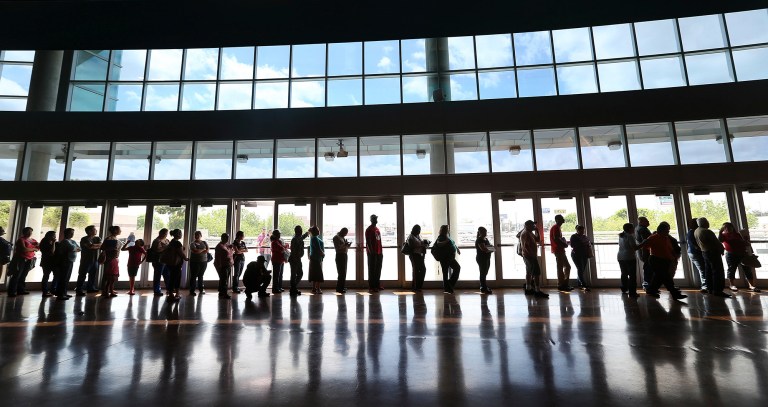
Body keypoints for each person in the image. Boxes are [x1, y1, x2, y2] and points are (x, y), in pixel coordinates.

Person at [642, 222, 687, 300]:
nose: (668, 232)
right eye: (667, 230)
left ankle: (651, 290)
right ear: (661, 230)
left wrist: (673, 256)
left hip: (664, 260)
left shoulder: (666, 238)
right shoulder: (653, 237)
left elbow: (670, 249)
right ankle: (675, 293)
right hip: (656, 260)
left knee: (659, 277)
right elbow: (645, 246)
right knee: (666, 277)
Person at [694, 217, 730, 297]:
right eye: (707, 221)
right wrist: (721, 249)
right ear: (705, 223)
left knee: (708, 271)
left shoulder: (696, 231)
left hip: (704, 252)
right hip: (712, 252)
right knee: (718, 272)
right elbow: (716, 242)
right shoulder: (707, 231)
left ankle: (710, 288)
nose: (708, 223)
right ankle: (718, 290)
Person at [518, 220, 547, 298]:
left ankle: (528, 288)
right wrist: (532, 256)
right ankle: (537, 291)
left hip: (529, 256)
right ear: (527, 225)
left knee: (529, 272)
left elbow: (537, 240)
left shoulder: (529, 233)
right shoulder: (525, 233)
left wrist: (537, 231)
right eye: (532, 225)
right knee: (536, 273)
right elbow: (526, 246)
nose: (534, 226)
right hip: (530, 256)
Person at [7, 227, 39, 297]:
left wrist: (32, 248)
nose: (29, 233)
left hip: (29, 259)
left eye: (30, 231)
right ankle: (12, 291)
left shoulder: (32, 240)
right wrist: (33, 248)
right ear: (24, 232)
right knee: (17, 275)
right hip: (20, 259)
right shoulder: (21, 240)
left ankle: (20, 290)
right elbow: (24, 249)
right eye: (28, 231)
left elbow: (38, 247)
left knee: (24, 275)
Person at [719, 222, 749, 292]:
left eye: (729, 227)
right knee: (731, 269)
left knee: (747, 269)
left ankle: (751, 285)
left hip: (742, 253)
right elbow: (720, 240)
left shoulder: (738, 234)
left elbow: (745, 243)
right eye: (725, 228)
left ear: (732, 227)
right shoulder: (723, 235)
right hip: (731, 254)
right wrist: (720, 231)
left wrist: (745, 241)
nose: (727, 229)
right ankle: (732, 285)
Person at [161, 229, 188, 301]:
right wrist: (186, 258)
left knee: (172, 278)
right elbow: (180, 253)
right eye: (180, 233)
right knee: (176, 278)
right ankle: (176, 294)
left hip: (170, 263)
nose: (181, 234)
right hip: (176, 264)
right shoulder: (177, 243)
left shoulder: (171, 242)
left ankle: (170, 293)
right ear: (178, 234)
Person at [434, 224, 461, 294]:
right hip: (445, 258)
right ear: (444, 230)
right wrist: (447, 241)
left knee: (457, 268)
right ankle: (448, 287)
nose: (448, 230)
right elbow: (439, 244)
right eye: (447, 228)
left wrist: (457, 249)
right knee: (446, 273)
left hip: (450, 258)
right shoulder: (441, 237)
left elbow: (453, 243)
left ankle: (449, 285)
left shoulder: (447, 236)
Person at [75, 225, 102, 296]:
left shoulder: (97, 238)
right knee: (82, 275)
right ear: (89, 231)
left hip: (95, 259)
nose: (96, 231)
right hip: (86, 260)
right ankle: (79, 289)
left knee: (92, 275)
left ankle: (90, 287)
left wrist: (94, 246)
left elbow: (101, 245)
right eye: (94, 229)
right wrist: (96, 246)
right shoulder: (84, 239)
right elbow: (90, 246)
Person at [55, 228, 80, 300]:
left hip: (70, 261)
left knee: (67, 277)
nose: (72, 234)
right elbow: (72, 248)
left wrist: (74, 249)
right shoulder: (65, 241)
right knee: (64, 277)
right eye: (71, 233)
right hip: (65, 261)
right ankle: (61, 294)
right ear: (66, 233)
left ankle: (64, 292)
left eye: (73, 233)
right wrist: (75, 249)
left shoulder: (72, 241)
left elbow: (79, 248)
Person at [550, 214, 572, 291]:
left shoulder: (556, 227)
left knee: (564, 267)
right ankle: (562, 284)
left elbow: (557, 238)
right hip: (558, 250)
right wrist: (564, 244)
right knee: (564, 267)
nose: (563, 219)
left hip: (559, 250)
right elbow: (556, 239)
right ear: (558, 220)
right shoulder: (556, 227)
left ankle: (563, 284)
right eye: (562, 218)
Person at [617, 223, 640, 297]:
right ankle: (632, 292)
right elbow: (635, 248)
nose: (634, 229)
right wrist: (644, 243)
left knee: (624, 273)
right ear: (630, 229)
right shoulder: (630, 236)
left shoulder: (621, 236)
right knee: (632, 275)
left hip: (620, 257)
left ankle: (624, 288)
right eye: (633, 228)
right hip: (629, 257)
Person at [686, 218, 707, 293]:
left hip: (693, 253)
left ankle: (705, 285)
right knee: (703, 269)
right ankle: (705, 286)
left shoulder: (692, 232)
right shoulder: (692, 232)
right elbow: (695, 245)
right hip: (695, 253)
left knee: (702, 269)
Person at [101, 226, 122, 298]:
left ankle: (111, 290)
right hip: (110, 259)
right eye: (119, 229)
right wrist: (112, 248)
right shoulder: (109, 238)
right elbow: (102, 247)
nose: (120, 231)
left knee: (113, 276)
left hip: (114, 258)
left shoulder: (115, 238)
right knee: (109, 275)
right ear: (115, 230)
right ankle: (105, 291)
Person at [569, 225, 592, 291]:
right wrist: (582, 243)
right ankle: (583, 284)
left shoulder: (584, 237)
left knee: (582, 269)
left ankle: (579, 283)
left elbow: (588, 244)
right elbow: (572, 245)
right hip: (576, 255)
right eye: (581, 230)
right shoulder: (573, 236)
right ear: (577, 230)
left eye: (583, 230)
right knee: (580, 268)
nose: (582, 231)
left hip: (584, 254)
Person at [288, 226, 309, 296]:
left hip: (297, 259)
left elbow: (303, 237)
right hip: (295, 259)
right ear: (299, 231)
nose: (301, 231)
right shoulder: (295, 239)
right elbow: (293, 250)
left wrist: (308, 232)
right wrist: (296, 259)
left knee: (299, 274)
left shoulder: (298, 238)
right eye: (301, 230)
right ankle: (293, 289)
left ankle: (293, 288)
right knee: (295, 275)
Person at [406, 225, 428, 292]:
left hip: (420, 255)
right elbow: (411, 246)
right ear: (415, 230)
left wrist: (424, 243)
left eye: (420, 229)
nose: (419, 231)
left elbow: (420, 243)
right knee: (416, 271)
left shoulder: (418, 236)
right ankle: (415, 287)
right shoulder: (411, 237)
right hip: (414, 255)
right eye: (418, 229)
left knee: (423, 269)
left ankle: (419, 286)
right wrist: (421, 244)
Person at [365, 214, 384, 292]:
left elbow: (379, 241)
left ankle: (377, 285)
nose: (376, 220)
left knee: (378, 269)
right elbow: (368, 241)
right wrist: (371, 251)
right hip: (373, 252)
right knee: (372, 269)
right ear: (371, 220)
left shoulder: (377, 229)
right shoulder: (369, 229)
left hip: (379, 252)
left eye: (376, 218)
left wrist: (381, 251)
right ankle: (372, 286)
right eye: (374, 219)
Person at [149, 228, 170, 296]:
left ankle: (169, 289)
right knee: (157, 276)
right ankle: (156, 290)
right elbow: (157, 250)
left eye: (166, 234)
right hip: (158, 260)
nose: (166, 235)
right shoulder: (156, 241)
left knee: (167, 275)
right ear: (161, 233)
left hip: (165, 260)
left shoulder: (166, 240)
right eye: (165, 234)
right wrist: (165, 247)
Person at [188, 231, 209, 296]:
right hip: (194, 262)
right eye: (196, 235)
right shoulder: (192, 244)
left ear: (201, 235)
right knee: (193, 276)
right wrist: (203, 249)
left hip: (203, 261)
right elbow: (196, 251)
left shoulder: (204, 242)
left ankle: (201, 289)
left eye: (198, 235)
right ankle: (192, 290)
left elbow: (207, 250)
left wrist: (201, 250)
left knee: (201, 275)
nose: (197, 236)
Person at [475, 226, 495, 294]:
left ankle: (484, 286)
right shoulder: (480, 240)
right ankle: (483, 287)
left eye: (486, 232)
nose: (485, 233)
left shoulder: (485, 239)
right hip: (481, 258)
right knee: (483, 273)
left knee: (485, 272)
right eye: (484, 232)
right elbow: (484, 249)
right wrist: (490, 248)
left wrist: (490, 248)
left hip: (486, 258)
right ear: (480, 232)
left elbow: (490, 248)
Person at [214, 233, 234, 299]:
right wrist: (219, 266)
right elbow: (217, 257)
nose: (227, 239)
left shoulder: (226, 245)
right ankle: (224, 293)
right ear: (222, 238)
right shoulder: (219, 246)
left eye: (228, 237)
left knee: (223, 279)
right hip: (223, 265)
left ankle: (221, 291)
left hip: (228, 264)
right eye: (226, 237)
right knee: (224, 279)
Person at [635, 217, 652, 291]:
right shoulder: (643, 229)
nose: (648, 221)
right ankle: (647, 285)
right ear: (641, 222)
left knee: (647, 267)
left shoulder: (637, 228)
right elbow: (647, 241)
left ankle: (647, 285)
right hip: (645, 251)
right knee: (648, 268)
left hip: (642, 252)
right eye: (646, 221)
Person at [39, 230, 57, 297]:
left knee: (53, 275)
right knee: (46, 276)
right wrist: (54, 243)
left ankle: (52, 289)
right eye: (54, 235)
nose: (55, 237)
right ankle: (45, 291)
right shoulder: (45, 243)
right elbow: (52, 252)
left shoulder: (47, 241)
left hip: (50, 262)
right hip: (47, 262)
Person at [332, 227, 351, 293]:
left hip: (344, 255)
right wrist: (344, 245)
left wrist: (348, 246)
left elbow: (343, 247)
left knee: (344, 272)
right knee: (341, 272)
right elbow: (337, 248)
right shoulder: (336, 237)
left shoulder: (342, 238)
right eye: (345, 233)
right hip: (340, 255)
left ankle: (342, 286)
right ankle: (339, 288)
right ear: (342, 231)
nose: (345, 235)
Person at [308, 225, 325, 294]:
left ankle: (314, 288)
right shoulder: (314, 238)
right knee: (317, 273)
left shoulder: (315, 238)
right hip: (316, 258)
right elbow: (318, 248)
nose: (319, 231)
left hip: (316, 258)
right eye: (318, 230)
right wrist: (323, 254)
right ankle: (317, 288)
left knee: (315, 273)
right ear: (315, 231)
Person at [270, 230, 288, 294]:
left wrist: (284, 247)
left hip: (280, 260)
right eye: (278, 234)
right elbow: (281, 249)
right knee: (276, 275)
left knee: (280, 274)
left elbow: (282, 248)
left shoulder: (278, 241)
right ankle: (275, 288)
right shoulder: (274, 242)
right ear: (275, 235)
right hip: (276, 260)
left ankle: (279, 287)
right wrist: (285, 247)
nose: (279, 235)